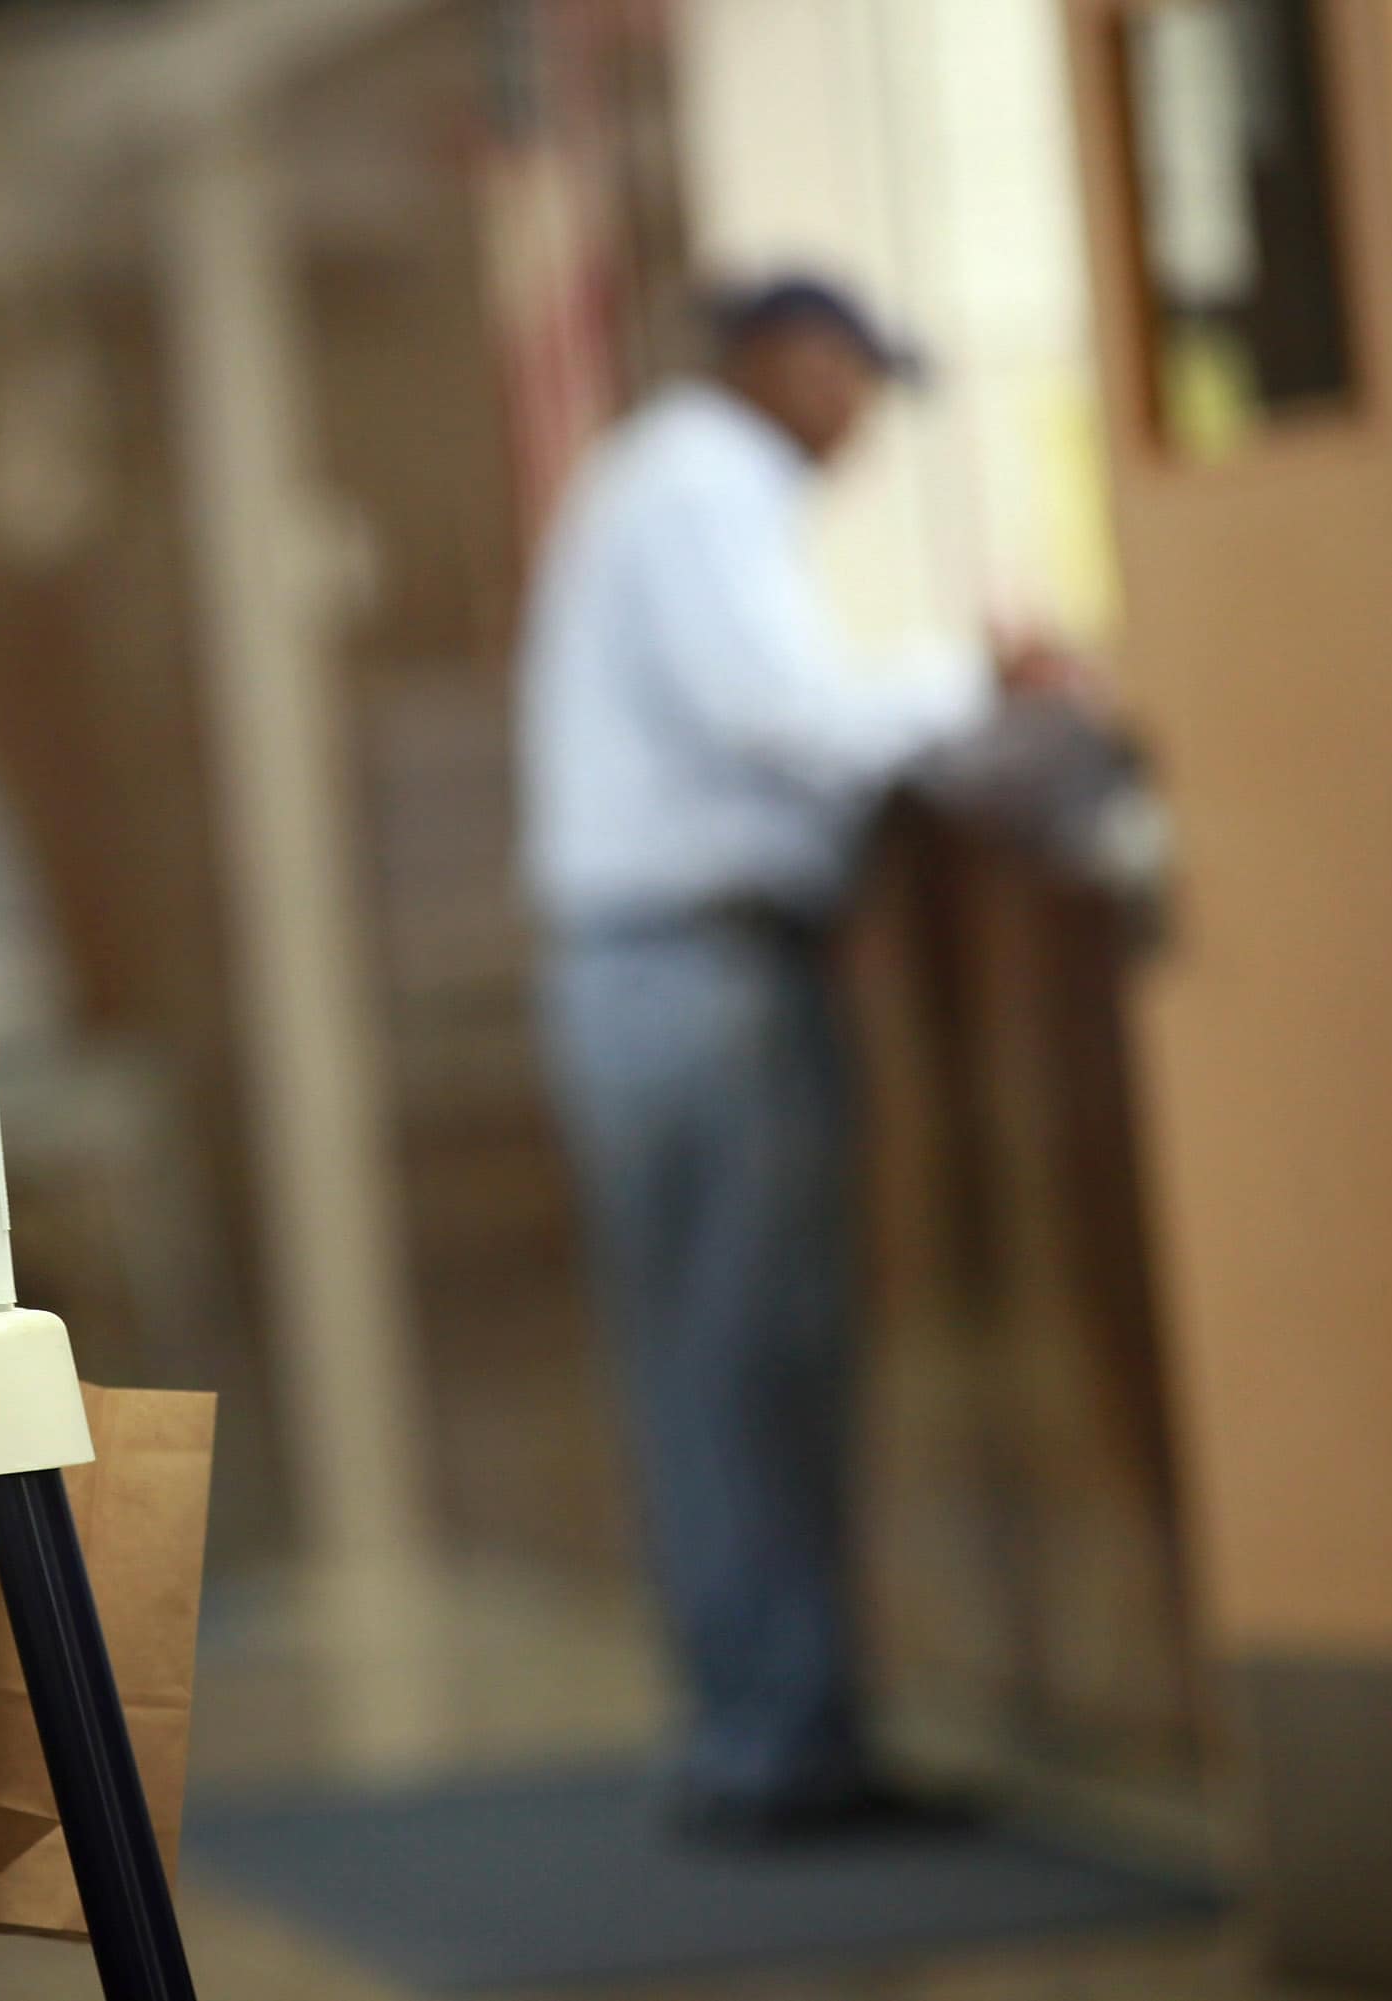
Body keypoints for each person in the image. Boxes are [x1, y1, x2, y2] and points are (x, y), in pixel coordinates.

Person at [519, 274, 1078, 1842]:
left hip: (653, 978)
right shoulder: (704, 478)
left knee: (710, 1372)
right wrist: (983, 676)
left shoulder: (657, 479)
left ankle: (762, 1730)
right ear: (778, 361)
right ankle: (777, 1747)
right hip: (699, 974)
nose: (862, 420)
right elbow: (790, 715)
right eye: (851, 379)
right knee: (752, 1369)